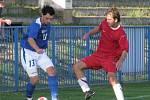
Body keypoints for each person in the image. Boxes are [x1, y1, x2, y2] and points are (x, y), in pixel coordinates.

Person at [73, 7, 128, 100]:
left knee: (111, 78)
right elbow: (98, 28)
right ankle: (87, 91)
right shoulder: (105, 23)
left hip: (110, 59)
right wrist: (88, 34)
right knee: (76, 66)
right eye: (106, 19)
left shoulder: (121, 33)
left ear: (116, 20)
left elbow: (125, 50)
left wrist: (121, 61)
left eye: (109, 19)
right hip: (98, 56)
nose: (107, 21)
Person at [20, 5, 58, 100]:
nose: (49, 21)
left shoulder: (47, 24)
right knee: (35, 79)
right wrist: (37, 49)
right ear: (42, 15)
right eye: (47, 18)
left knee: (52, 72)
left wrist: (39, 50)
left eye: (51, 19)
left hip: (40, 53)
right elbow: (30, 39)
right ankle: (29, 98)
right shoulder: (35, 25)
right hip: (29, 53)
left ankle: (54, 98)